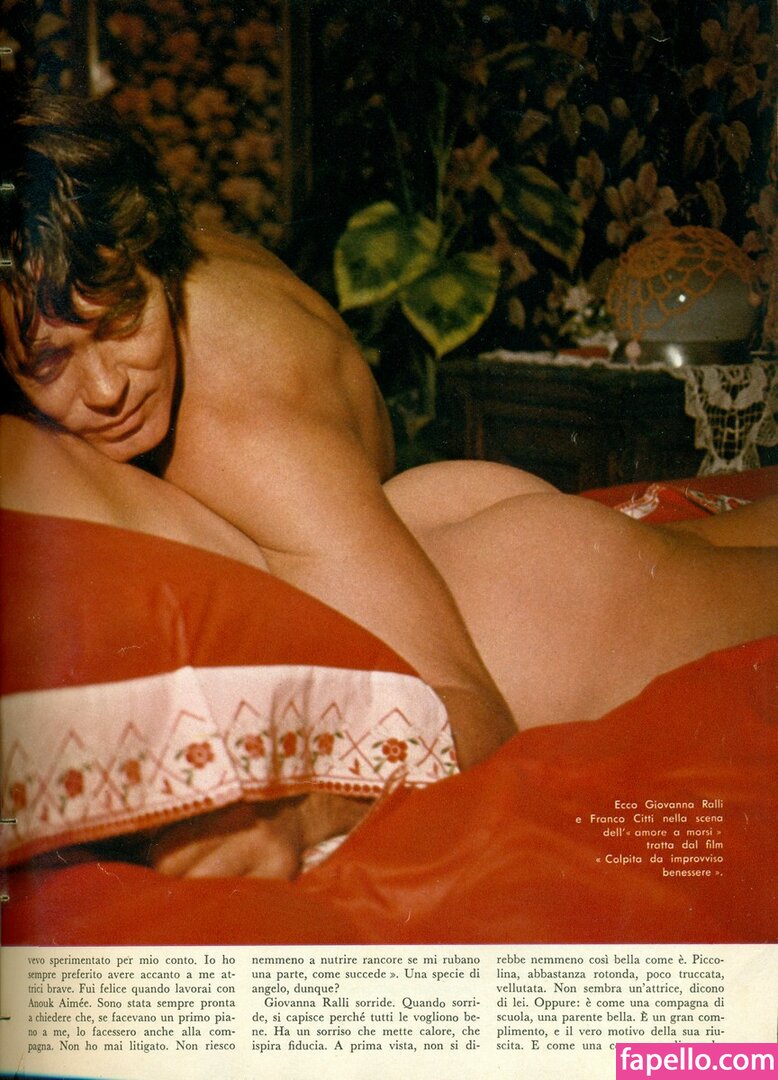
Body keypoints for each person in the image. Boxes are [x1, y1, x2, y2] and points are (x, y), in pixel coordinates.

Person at [2, 91, 777, 877]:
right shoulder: (84, 253)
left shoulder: (242, 423)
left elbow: (469, 711)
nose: (107, 389)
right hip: (423, 540)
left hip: (537, 615)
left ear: (151, 259)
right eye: (50, 361)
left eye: (121, 321)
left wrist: (300, 817)